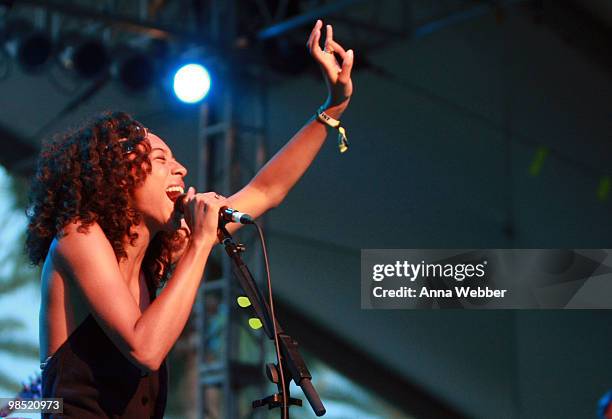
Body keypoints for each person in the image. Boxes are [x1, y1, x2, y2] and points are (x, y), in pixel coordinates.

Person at [26, 20, 353, 418]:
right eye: (161, 159)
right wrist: (200, 242)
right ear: (117, 176)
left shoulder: (156, 255)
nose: (180, 169)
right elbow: (144, 349)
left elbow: (266, 191)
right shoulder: (79, 235)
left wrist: (331, 109)